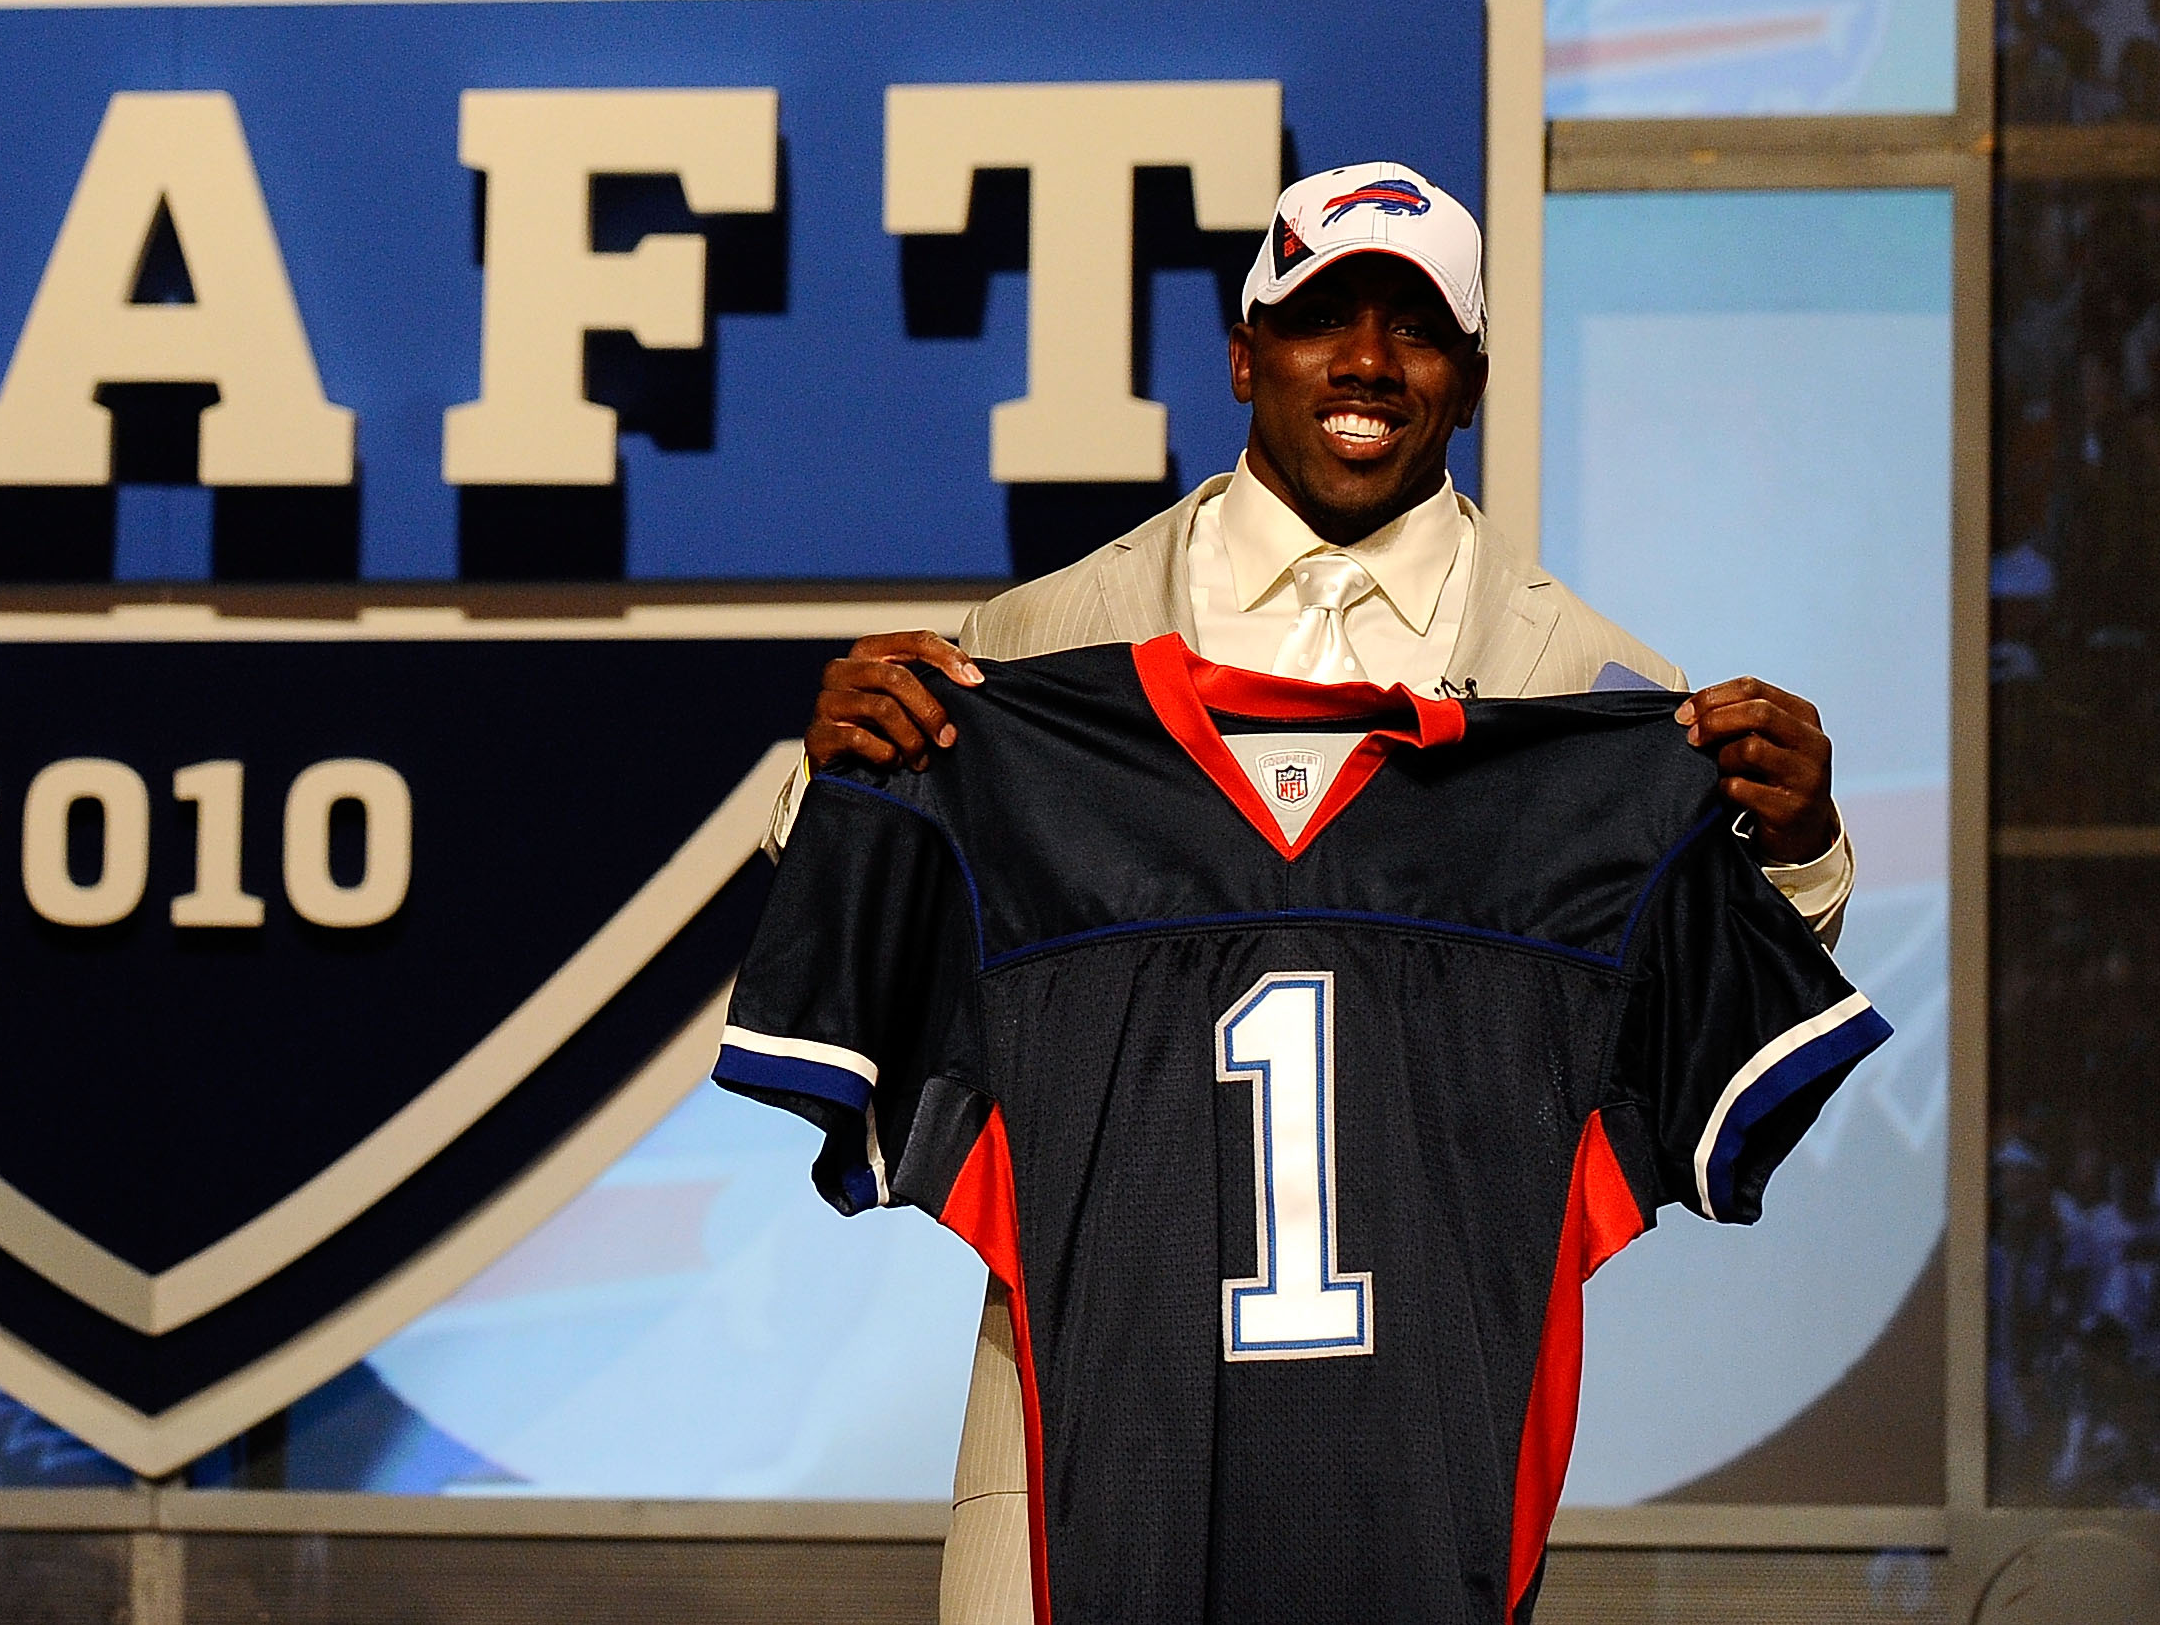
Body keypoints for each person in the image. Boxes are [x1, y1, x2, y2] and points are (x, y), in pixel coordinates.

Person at [791, 161, 1852, 1625]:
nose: (1366, 362)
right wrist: (837, 784)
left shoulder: (1595, 694)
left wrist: (1792, 850)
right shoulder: (1036, 645)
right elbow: (887, 946)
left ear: (1469, 380)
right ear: (1244, 352)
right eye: (1319, 319)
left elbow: (1694, 1023)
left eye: (1415, 329)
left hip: (1421, 1442)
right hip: (1085, 1434)